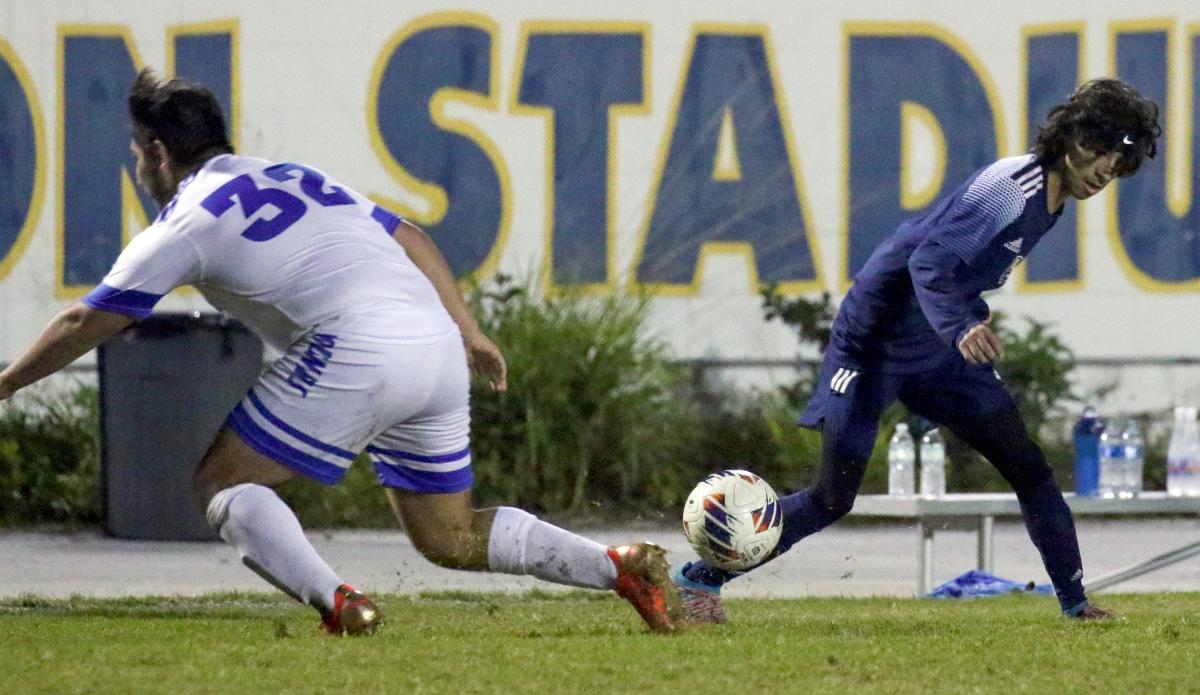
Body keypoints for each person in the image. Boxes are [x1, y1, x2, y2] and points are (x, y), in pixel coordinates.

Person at [0, 68, 682, 635]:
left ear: (154, 152)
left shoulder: (189, 217)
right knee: (449, 537)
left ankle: (339, 604)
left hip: (358, 348)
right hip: (435, 343)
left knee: (223, 482)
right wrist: (470, 332)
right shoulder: (292, 175)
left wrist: (7, 382)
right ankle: (616, 565)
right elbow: (410, 235)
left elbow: (87, 318)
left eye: (137, 154)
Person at [672, 78, 1161, 623]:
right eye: (1100, 153)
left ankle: (1075, 603)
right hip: (874, 343)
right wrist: (960, 324)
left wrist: (967, 313)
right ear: (1072, 136)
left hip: (936, 347)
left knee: (1029, 467)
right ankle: (700, 579)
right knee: (833, 498)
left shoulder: (1052, 200)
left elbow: (954, 268)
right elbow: (927, 262)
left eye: (1117, 167)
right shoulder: (1012, 187)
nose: (1103, 172)